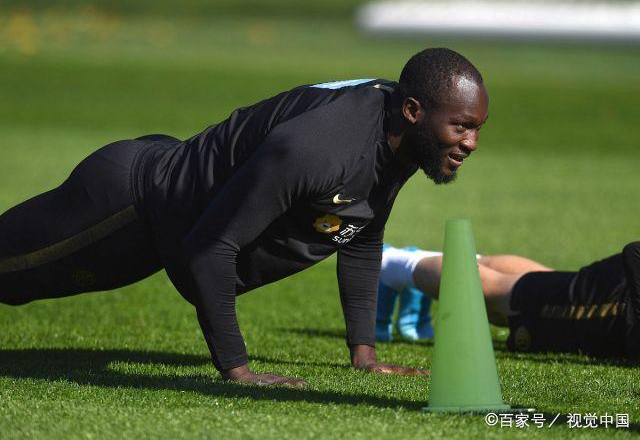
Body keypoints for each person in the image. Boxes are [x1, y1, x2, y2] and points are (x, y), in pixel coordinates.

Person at [0, 48, 489, 386]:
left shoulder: (399, 138)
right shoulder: (321, 148)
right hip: (125, 203)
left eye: (478, 128)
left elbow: (361, 237)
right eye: (462, 127)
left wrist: (364, 356)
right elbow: (209, 250)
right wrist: (238, 369)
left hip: (159, 225)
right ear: (412, 110)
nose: (471, 143)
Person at [378, 242, 640, 358]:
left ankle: (423, 260)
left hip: (617, 302)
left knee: (536, 285)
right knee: (504, 298)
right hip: (616, 310)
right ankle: (391, 265)